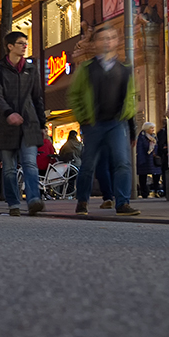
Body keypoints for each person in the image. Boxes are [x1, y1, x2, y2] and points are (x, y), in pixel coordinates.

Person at [68, 26, 140, 215]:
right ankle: (82, 201)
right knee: (88, 165)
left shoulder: (125, 69)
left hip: (117, 122)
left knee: (122, 162)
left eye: (111, 37)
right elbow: (74, 95)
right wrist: (84, 119)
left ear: (116, 41)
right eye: (103, 38)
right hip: (94, 124)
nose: (107, 41)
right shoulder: (86, 68)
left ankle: (122, 203)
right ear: (95, 44)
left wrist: (131, 127)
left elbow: (130, 96)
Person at [0, 31, 47, 216]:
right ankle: (14, 203)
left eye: (26, 43)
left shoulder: (31, 68)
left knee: (30, 163)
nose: (25, 46)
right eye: (21, 43)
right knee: (8, 168)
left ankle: (33, 200)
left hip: (29, 122)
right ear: (10, 46)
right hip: (6, 124)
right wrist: (8, 113)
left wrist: (42, 124)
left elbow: (37, 97)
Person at [135, 123, 161, 198]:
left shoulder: (154, 136)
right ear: (147, 129)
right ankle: (144, 192)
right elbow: (142, 148)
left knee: (156, 174)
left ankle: (156, 190)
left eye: (153, 128)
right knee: (143, 176)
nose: (153, 130)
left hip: (153, 159)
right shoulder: (142, 136)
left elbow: (157, 146)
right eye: (151, 128)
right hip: (145, 159)